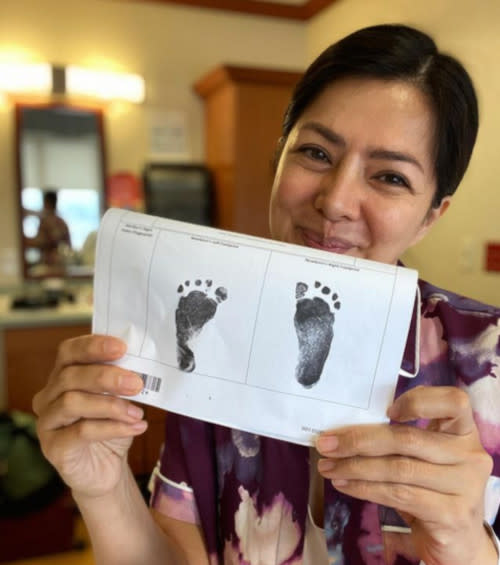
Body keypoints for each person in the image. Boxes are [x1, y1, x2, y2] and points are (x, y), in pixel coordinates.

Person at [33, 24, 500, 565]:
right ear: (279, 159)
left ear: (430, 216)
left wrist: (465, 542)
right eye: (317, 153)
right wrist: (101, 485)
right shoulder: (211, 348)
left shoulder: (487, 360)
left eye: (390, 177)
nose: (336, 201)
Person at [28, 190, 72, 266]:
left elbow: (40, 242)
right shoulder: (61, 222)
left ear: (46, 203)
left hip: (50, 264)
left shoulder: (46, 222)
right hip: (60, 264)